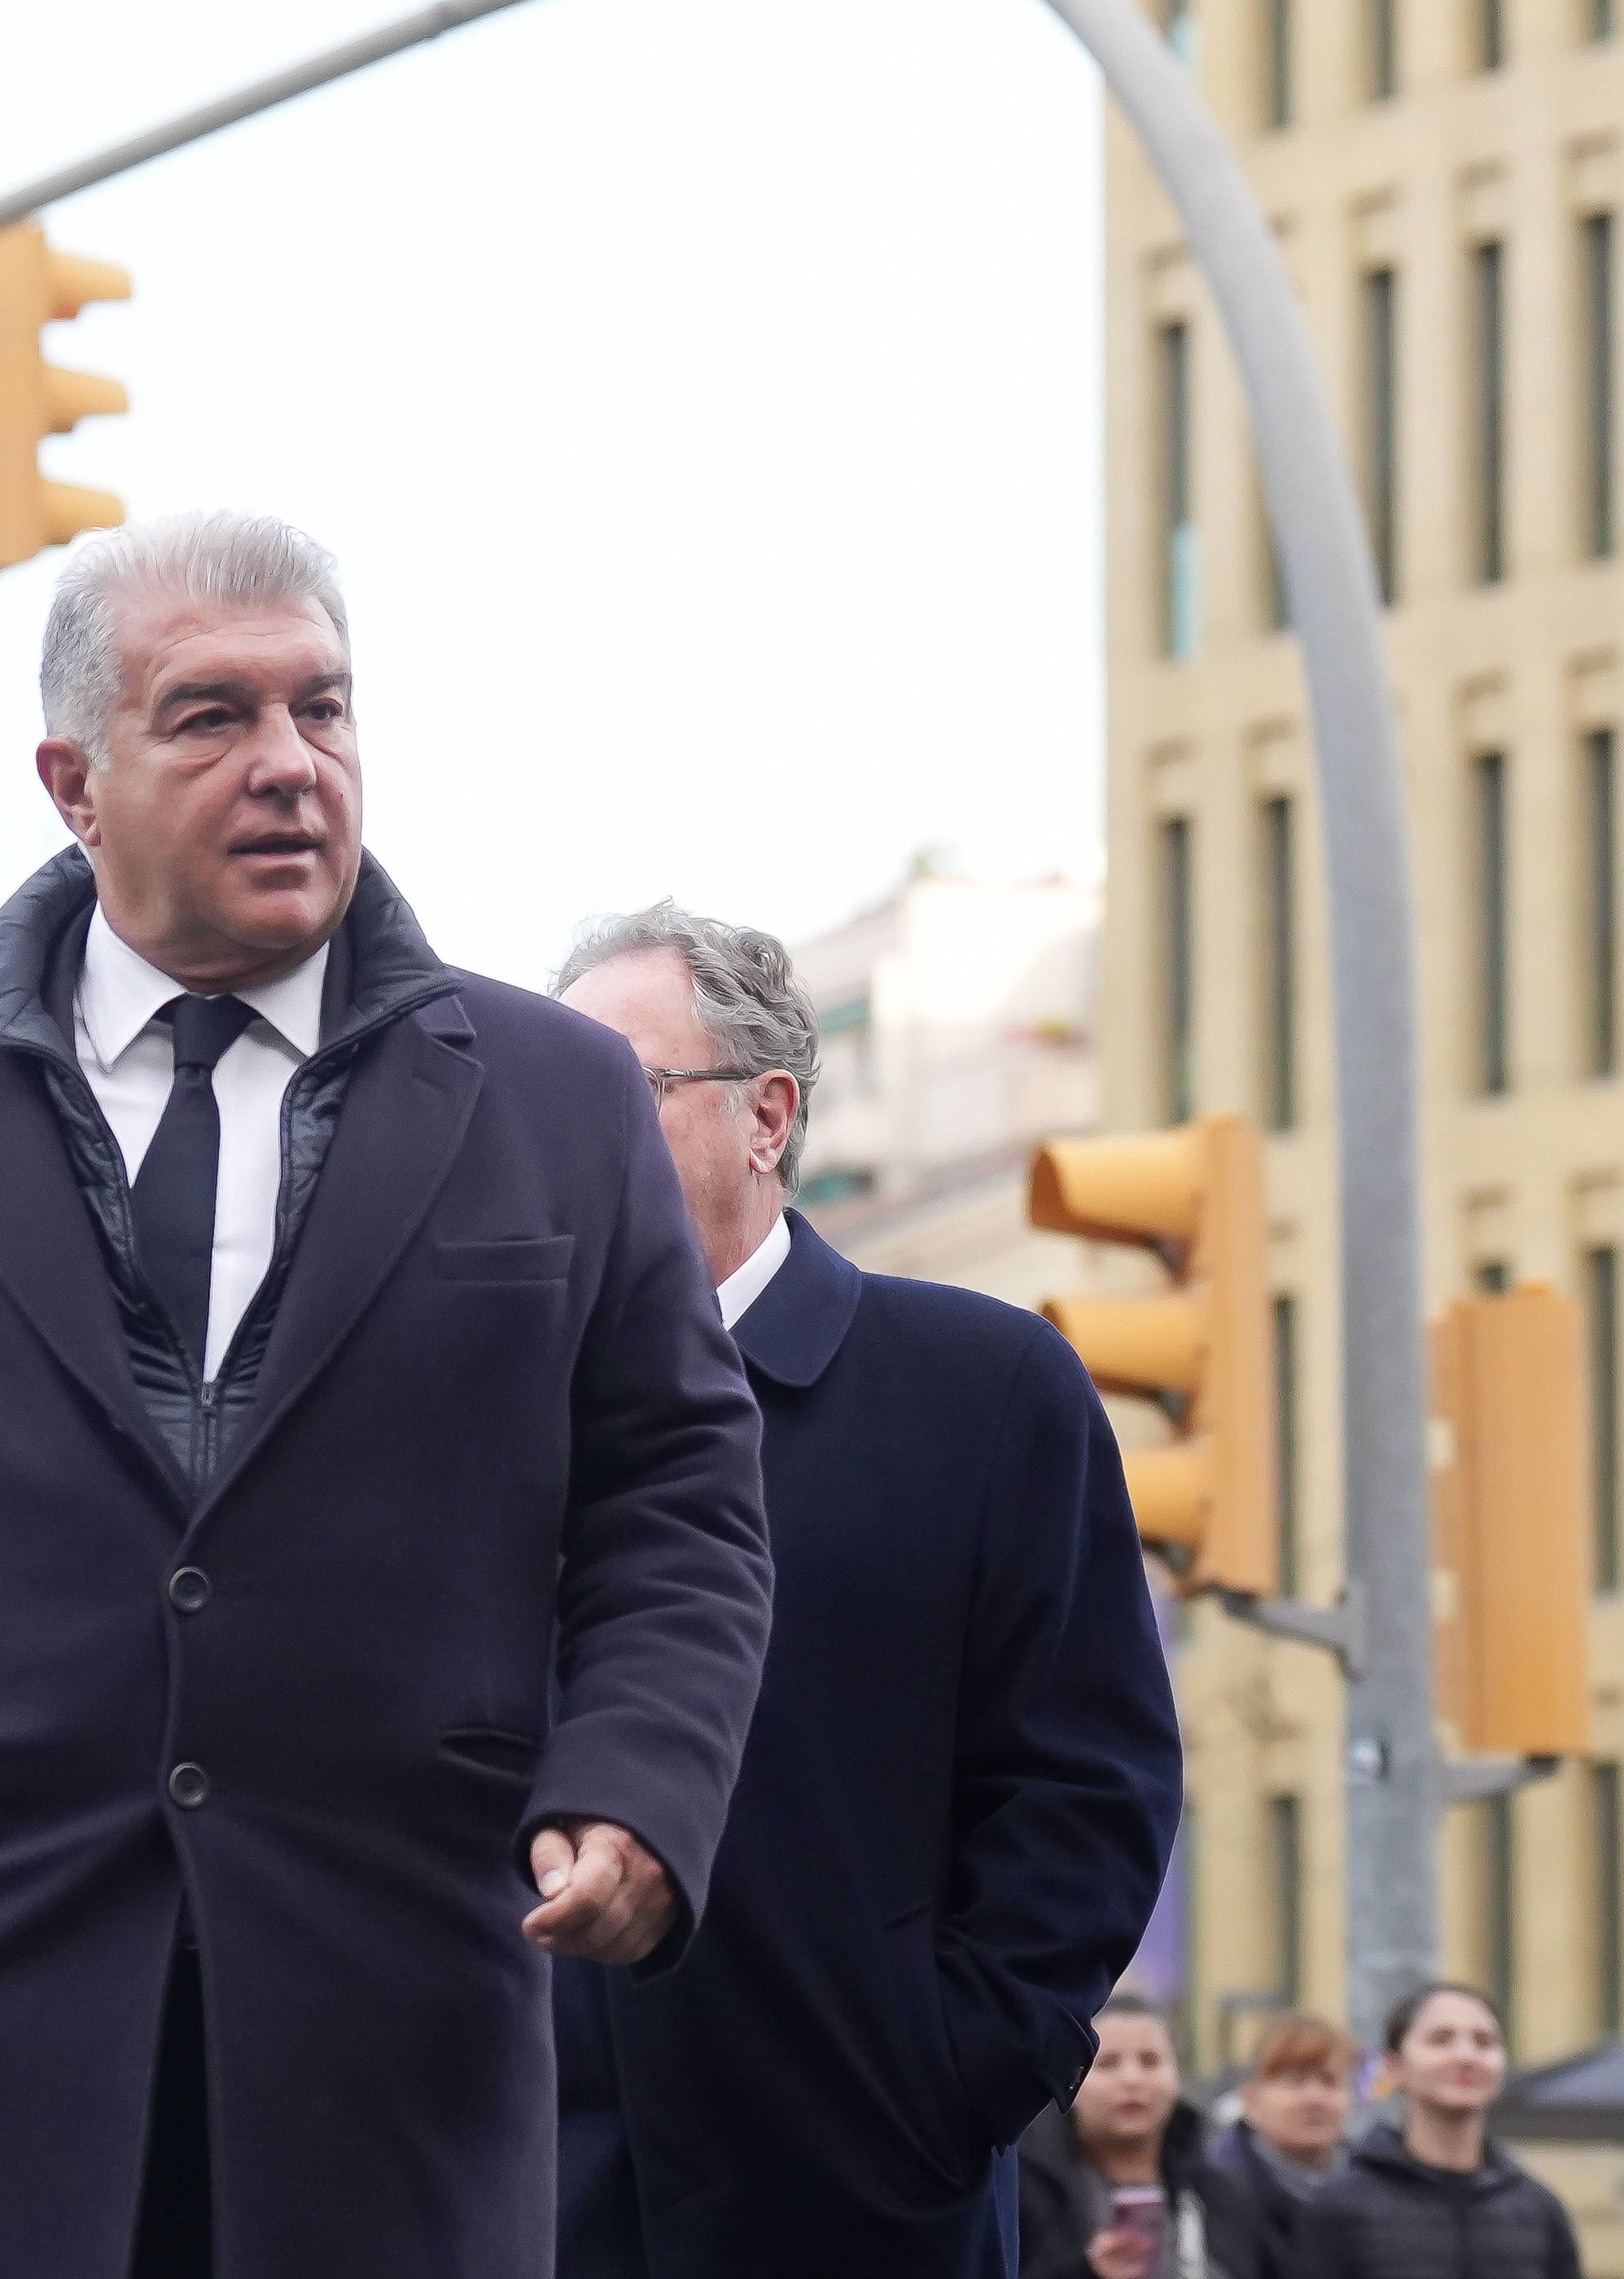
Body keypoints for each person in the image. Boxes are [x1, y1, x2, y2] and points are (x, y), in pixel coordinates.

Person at [0, 511, 777, 2279]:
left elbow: (679, 1500)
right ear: (73, 778)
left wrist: (640, 1783)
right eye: (211, 717)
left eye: (321, 710)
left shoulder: (554, 1098)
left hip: (390, 2038)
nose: (288, 765)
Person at [549, 904, 1184, 2279]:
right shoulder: (493, 1417)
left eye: (617, 1093)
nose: (565, 1143)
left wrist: (944, 2082)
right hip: (547, 2206)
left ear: (764, 1116)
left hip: (863, 2204)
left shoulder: (982, 1389)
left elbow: (1090, 1785)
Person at [1297, 1984, 1580, 2279]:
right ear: (1393, 2068)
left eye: (1484, 2043)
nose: (1466, 2057)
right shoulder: (1342, 2206)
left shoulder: (1537, 2209)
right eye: (1441, 2040)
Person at [1016, 1995, 1268, 2279]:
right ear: (1072, 2081)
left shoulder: (1221, 2193)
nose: (1132, 2079)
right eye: (1108, 2063)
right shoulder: (1024, 2190)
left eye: (1150, 2061)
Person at [1207, 2014, 1355, 2255]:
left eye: (1329, 2081)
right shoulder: (1214, 2197)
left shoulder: (1376, 2193)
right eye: (1295, 2081)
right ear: (1251, 2099)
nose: (1315, 2098)